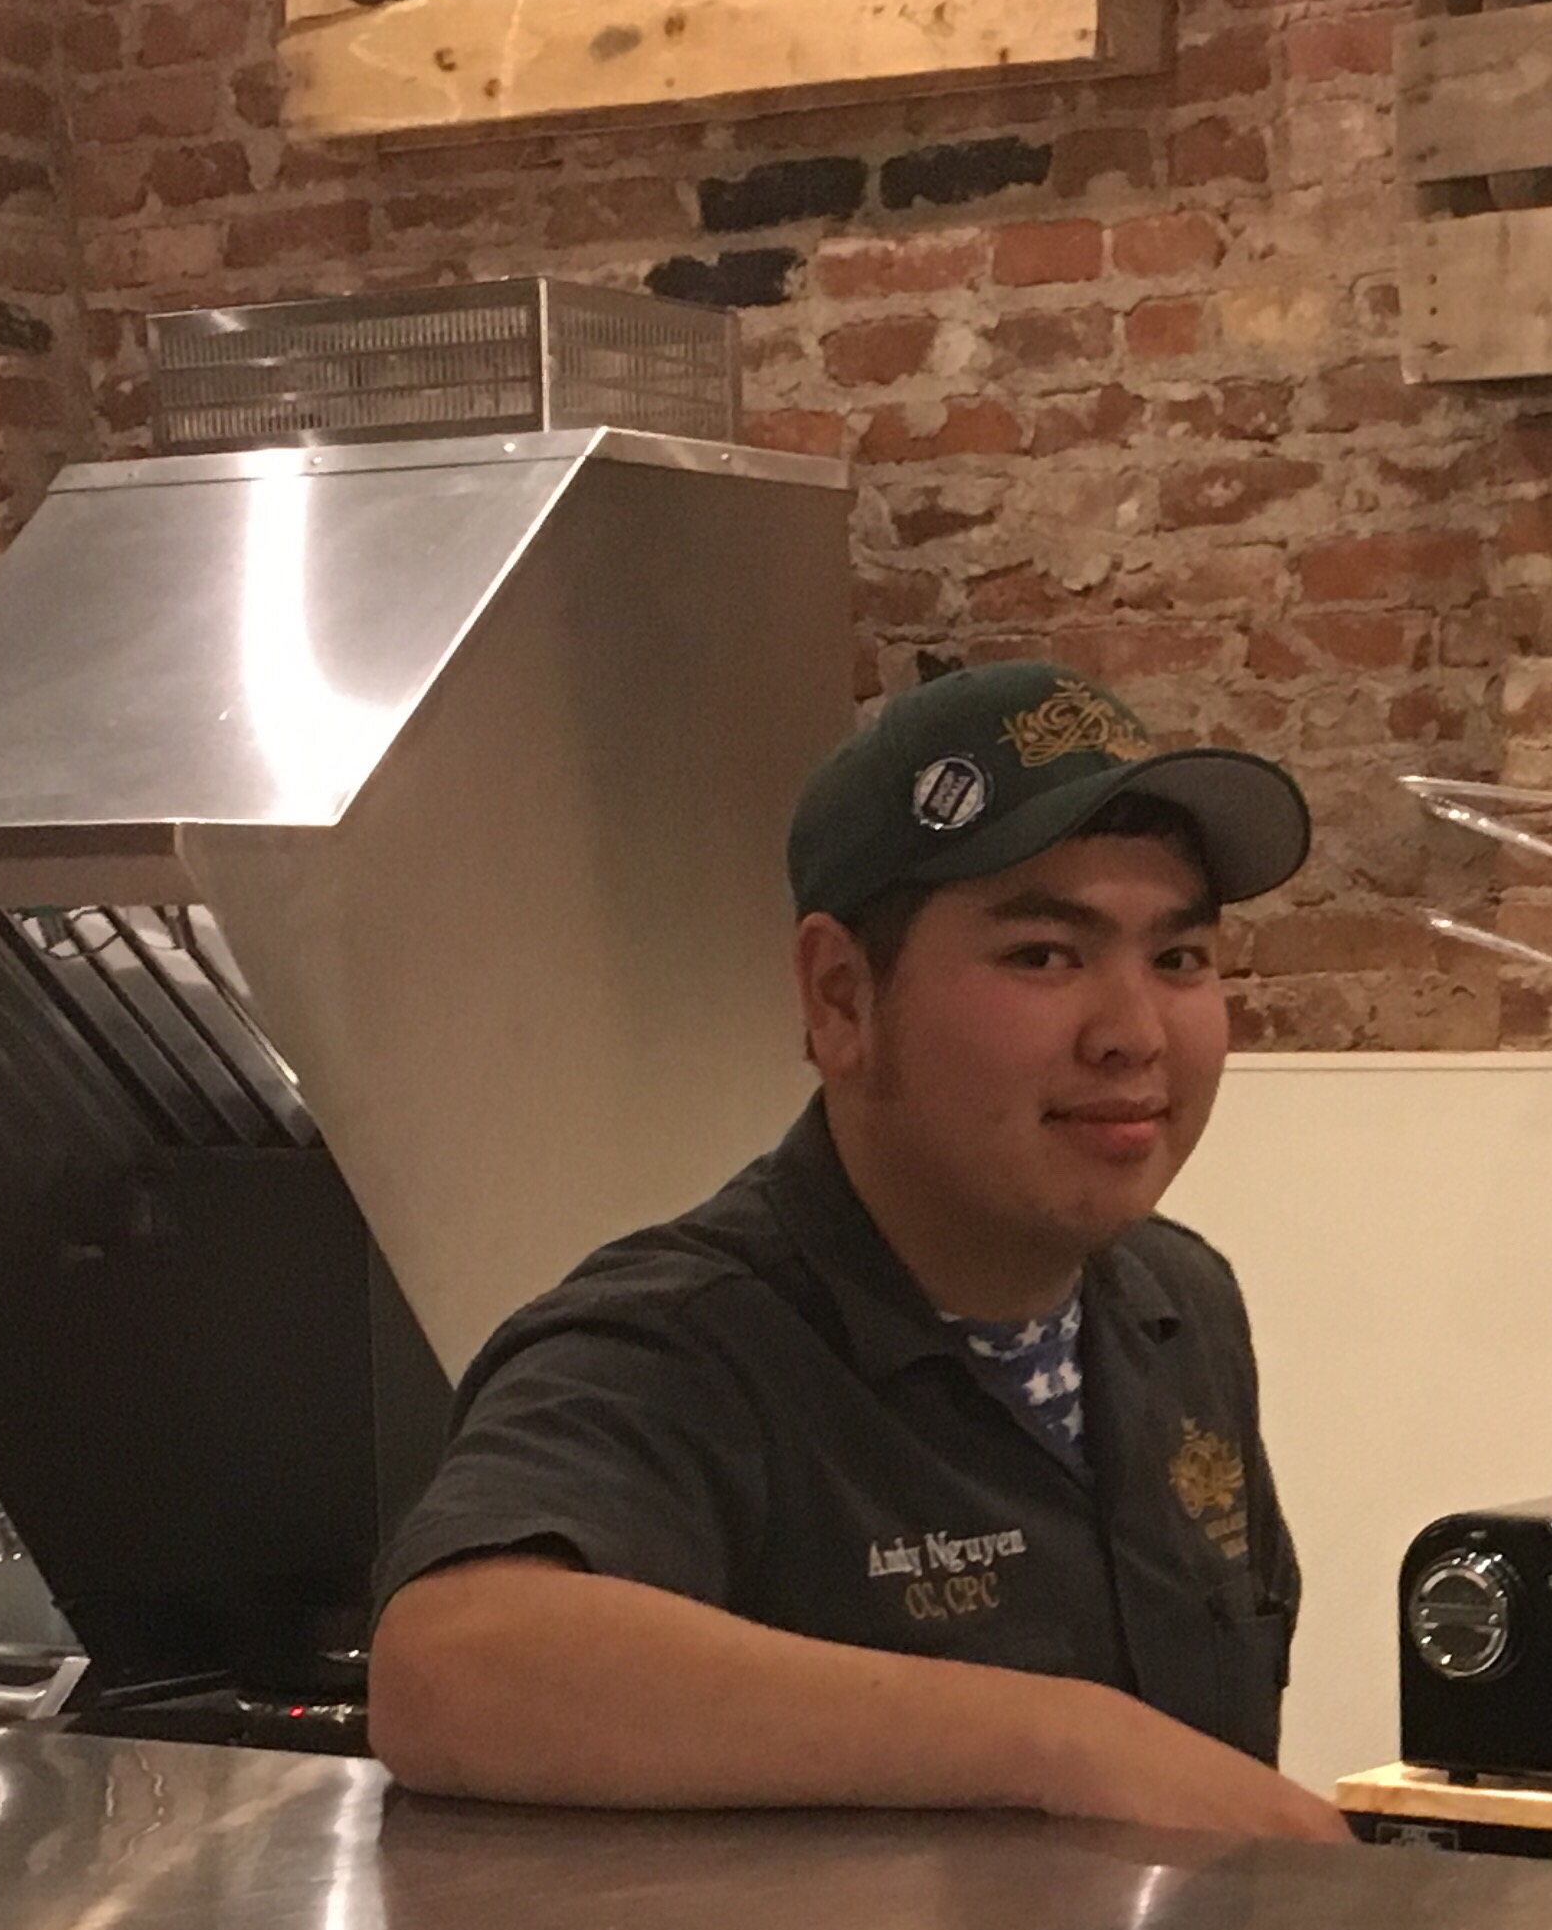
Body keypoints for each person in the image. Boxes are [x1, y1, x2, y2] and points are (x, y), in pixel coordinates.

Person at [367, 660, 1346, 1843]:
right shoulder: (683, 1342)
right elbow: (455, 1666)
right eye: (1045, 954)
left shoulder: (1180, 1303)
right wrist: (1065, 1743)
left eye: (1179, 960)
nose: (1135, 1033)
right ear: (841, 999)